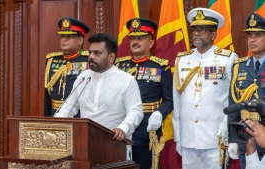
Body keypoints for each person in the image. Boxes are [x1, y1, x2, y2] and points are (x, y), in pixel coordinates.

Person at [54, 33, 144, 159]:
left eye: (97, 53)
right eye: (90, 52)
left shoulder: (126, 80)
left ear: (111, 57)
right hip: (85, 146)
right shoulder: (83, 77)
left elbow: (136, 112)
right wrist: (55, 124)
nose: (91, 57)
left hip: (115, 146)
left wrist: (123, 128)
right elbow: (69, 107)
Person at [172, 7, 239, 169]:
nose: (196, 33)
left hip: (215, 136)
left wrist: (228, 131)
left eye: (202, 30)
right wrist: (178, 137)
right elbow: (177, 99)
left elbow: (234, 98)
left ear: (214, 34)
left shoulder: (228, 59)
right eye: (194, 29)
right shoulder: (182, 59)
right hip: (188, 137)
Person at [115, 18, 174, 169]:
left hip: (147, 129)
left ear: (151, 43)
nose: (135, 41)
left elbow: (169, 100)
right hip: (120, 127)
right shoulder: (118, 66)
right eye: (133, 38)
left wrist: (159, 114)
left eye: (140, 38)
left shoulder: (161, 67)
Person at [228, 13, 265, 169]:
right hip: (245, 137)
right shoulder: (239, 66)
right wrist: (232, 139)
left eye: (258, 35)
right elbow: (233, 103)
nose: (252, 40)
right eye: (250, 35)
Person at [44, 16, 90, 117]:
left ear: (80, 40)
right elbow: (47, 96)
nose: (64, 39)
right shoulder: (52, 60)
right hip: (55, 114)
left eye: (69, 37)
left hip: (79, 115)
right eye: (62, 36)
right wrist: (46, 118)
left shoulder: (88, 60)